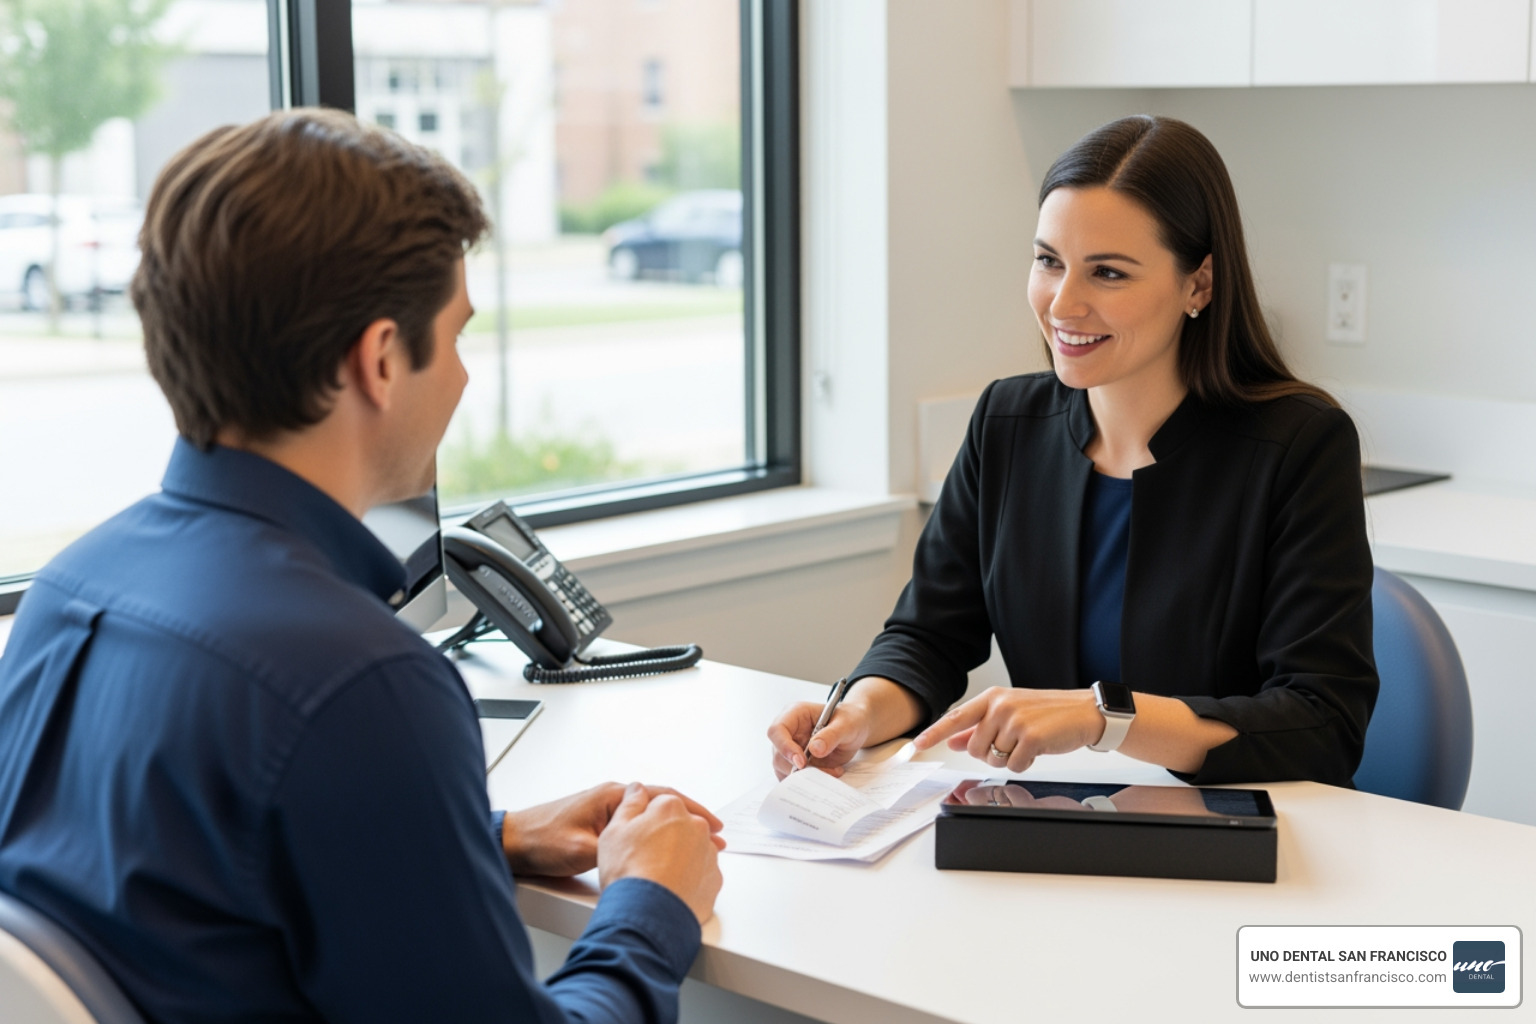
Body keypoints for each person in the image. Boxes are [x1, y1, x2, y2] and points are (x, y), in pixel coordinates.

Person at [0, 109, 723, 1023]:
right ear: (381, 360)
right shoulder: (360, 683)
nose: (462, 376)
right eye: (456, 336)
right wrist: (653, 903)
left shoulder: (68, 590)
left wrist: (484, 837)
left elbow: (184, 895)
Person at [769, 115, 1378, 787]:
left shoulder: (1299, 444)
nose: (1063, 303)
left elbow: (1321, 723)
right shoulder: (1007, 422)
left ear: (1198, 285)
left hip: (1239, 835)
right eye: (1048, 261)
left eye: (1108, 273)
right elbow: (928, 637)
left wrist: (1103, 717)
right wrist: (856, 714)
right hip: (1056, 823)